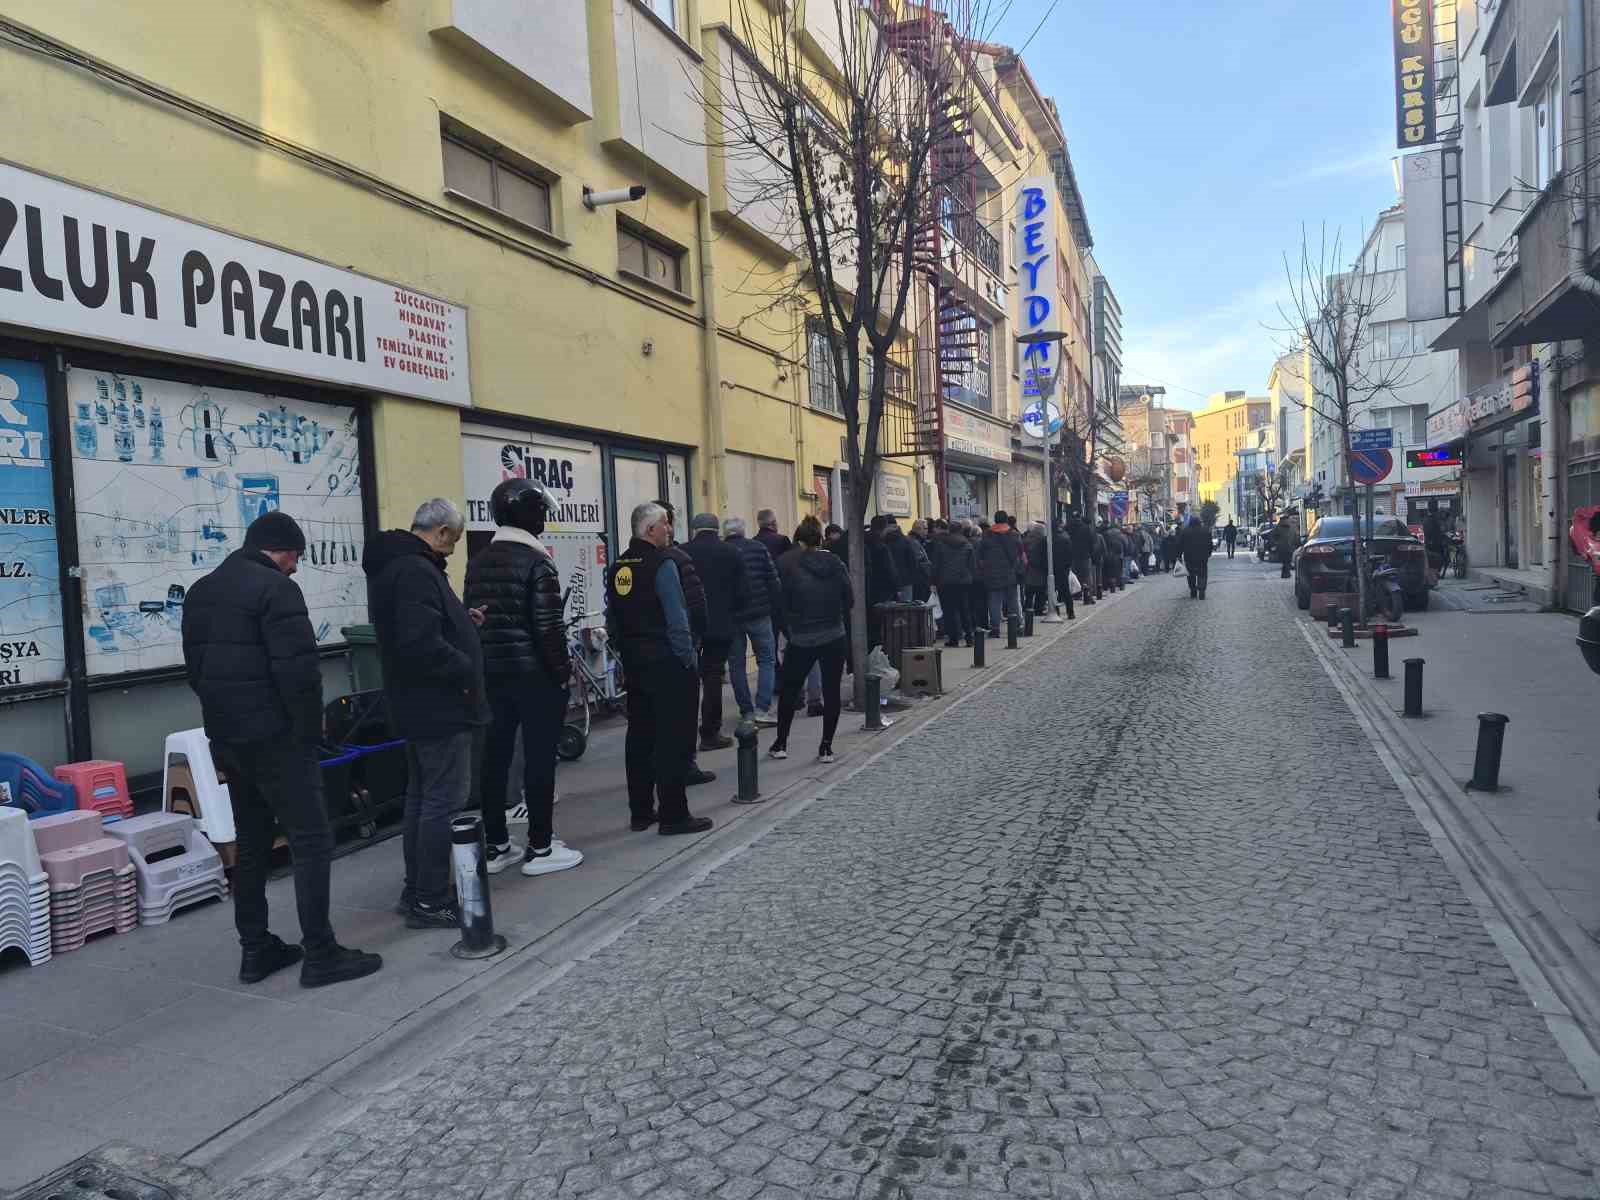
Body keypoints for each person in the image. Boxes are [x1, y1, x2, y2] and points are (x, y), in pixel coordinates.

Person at [182, 511, 382, 988]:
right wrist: (308, 736)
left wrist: (225, 728)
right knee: (311, 839)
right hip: (278, 741)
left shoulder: (201, 591)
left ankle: (256, 950)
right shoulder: (276, 589)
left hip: (229, 739)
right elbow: (299, 676)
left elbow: (196, 672)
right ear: (285, 552)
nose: (296, 569)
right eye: (296, 560)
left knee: (251, 844)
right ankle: (321, 952)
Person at [365, 498, 486, 927]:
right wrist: (466, 664)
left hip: (416, 703)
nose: (451, 550)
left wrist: (461, 621)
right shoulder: (415, 570)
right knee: (442, 801)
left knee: (421, 798)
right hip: (438, 705)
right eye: (451, 541)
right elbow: (421, 643)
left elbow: (421, 628)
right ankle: (431, 899)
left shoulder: (398, 565)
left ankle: (417, 889)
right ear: (440, 531)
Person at [464, 480, 584, 878]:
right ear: (529, 514)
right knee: (538, 759)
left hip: (492, 673)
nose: (545, 517)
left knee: (495, 758)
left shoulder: (479, 559)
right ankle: (541, 845)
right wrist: (562, 673)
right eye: (542, 510)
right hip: (534, 676)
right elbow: (548, 627)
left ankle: (497, 844)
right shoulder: (537, 561)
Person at [607, 502, 713, 836]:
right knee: (674, 740)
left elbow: (614, 620)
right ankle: (673, 814)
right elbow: (677, 618)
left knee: (639, 738)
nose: (670, 529)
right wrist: (687, 660)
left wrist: (625, 654)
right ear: (651, 529)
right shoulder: (663, 564)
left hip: (636, 664)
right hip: (668, 664)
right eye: (666, 524)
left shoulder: (619, 566)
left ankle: (640, 811)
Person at [769, 516, 851, 765]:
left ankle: (781, 743)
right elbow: (849, 598)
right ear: (820, 539)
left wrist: (788, 628)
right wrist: (838, 617)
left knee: (790, 690)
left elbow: (779, 602)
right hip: (834, 634)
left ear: (798, 540)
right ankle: (826, 747)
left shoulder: (787, 564)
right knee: (831, 690)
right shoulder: (835, 562)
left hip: (802, 636)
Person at [683, 511, 747, 750]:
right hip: (720, 626)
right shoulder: (732, 553)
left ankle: (685, 735)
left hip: (689, 626)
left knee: (688, 680)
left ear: (694, 529)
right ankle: (710, 732)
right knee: (712, 677)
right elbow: (743, 593)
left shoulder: (682, 552)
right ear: (717, 530)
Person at [724, 515, 781, 727]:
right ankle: (762, 708)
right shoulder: (758, 548)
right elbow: (773, 579)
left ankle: (746, 710)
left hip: (732, 616)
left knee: (736, 664)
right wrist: (775, 607)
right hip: (759, 614)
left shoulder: (723, 551)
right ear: (743, 530)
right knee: (766, 659)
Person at [977, 511, 1024, 632]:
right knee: (1012, 601)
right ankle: (1016, 626)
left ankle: (995, 628)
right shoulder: (1014, 535)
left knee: (994, 602)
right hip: (1010, 573)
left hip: (992, 574)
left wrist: (985, 569)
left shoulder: (986, 535)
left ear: (995, 519)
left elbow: (980, 556)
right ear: (1007, 520)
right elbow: (1021, 554)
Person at [933, 518, 976, 646]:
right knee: (964, 610)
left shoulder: (941, 544)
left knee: (949, 611)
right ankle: (969, 638)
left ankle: (954, 639)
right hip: (963, 582)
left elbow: (936, 564)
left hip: (945, 582)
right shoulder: (968, 545)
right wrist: (969, 577)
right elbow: (972, 565)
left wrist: (934, 580)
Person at [1182, 515, 1213, 598]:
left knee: (1190, 574)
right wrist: (1209, 553)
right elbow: (1210, 544)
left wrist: (1178, 554)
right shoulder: (1205, 531)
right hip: (1202, 556)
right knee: (1202, 573)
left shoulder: (1185, 531)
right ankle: (1202, 590)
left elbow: (1180, 544)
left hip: (1189, 557)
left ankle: (1193, 590)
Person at [1022, 520, 1049, 615]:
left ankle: (1028, 609)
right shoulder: (1042, 541)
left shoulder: (1026, 539)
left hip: (1029, 569)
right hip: (1039, 570)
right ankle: (1038, 610)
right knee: (1040, 592)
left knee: (1029, 592)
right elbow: (1043, 556)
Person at [909, 519, 936, 605]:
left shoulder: (918, 541)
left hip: (920, 580)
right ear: (917, 529)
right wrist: (931, 570)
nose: (926, 531)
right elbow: (921, 562)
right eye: (924, 529)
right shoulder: (914, 542)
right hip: (919, 581)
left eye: (926, 528)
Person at [1422, 503, 1446, 575]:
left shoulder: (1425, 519)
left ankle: (1432, 573)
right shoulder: (1436, 520)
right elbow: (1440, 530)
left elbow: (1425, 531)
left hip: (1428, 543)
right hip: (1436, 543)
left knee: (1430, 559)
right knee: (1439, 558)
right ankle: (1436, 573)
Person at [1276, 513, 1299, 579]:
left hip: (1281, 547)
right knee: (1287, 561)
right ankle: (1286, 574)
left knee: (1285, 561)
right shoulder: (1292, 527)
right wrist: (1298, 544)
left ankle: (1285, 574)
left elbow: (1273, 536)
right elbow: (1296, 537)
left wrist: (1276, 543)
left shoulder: (1278, 526)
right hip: (1290, 547)